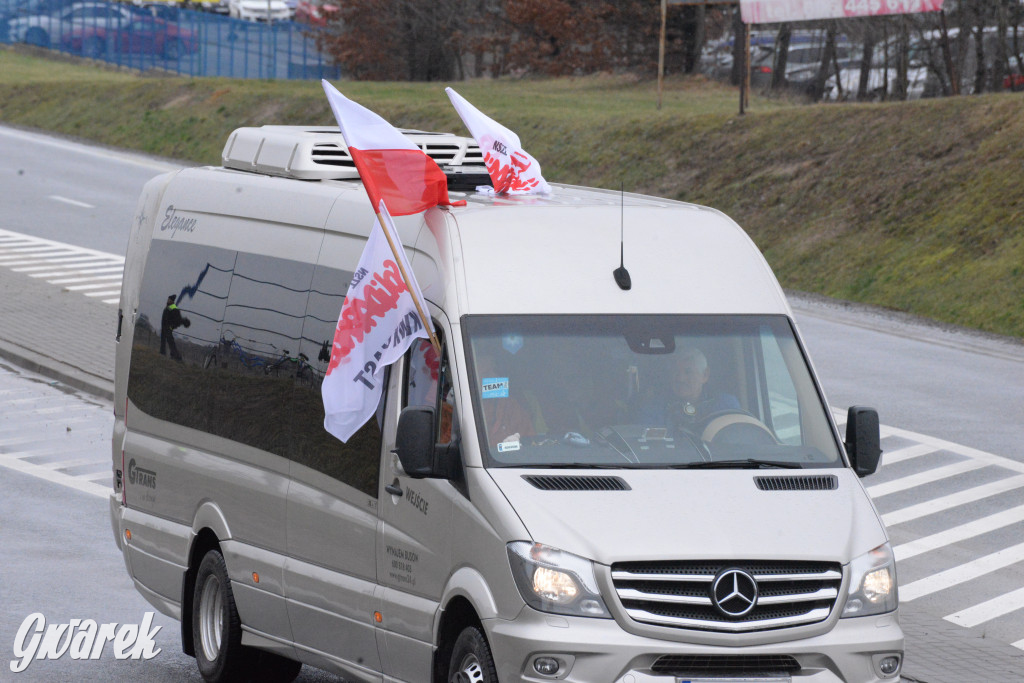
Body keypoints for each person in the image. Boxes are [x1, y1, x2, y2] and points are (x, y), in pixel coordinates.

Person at [639, 347, 740, 435]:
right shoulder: (654, 408)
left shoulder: (726, 405)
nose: (680, 379)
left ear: (705, 375)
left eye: (688, 372)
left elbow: (734, 440)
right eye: (675, 371)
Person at [160, 294, 190, 361]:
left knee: (170, 342)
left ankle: (176, 356)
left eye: (169, 299)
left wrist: (171, 327)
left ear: (171, 300)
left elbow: (177, 320)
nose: (167, 300)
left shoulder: (172, 307)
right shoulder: (169, 307)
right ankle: (163, 353)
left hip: (167, 327)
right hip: (165, 327)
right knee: (165, 341)